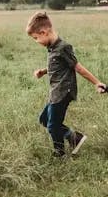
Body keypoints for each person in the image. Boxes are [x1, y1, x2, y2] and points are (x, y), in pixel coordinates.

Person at [26, 11, 102, 158]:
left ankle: (65, 147)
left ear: (44, 32)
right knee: (44, 119)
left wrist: (97, 83)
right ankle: (68, 143)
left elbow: (78, 67)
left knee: (53, 125)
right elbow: (59, 66)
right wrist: (43, 71)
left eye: (36, 38)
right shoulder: (52, 48)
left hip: (63, 92)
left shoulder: (63, 47)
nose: (36, 41)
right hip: (55, 92)